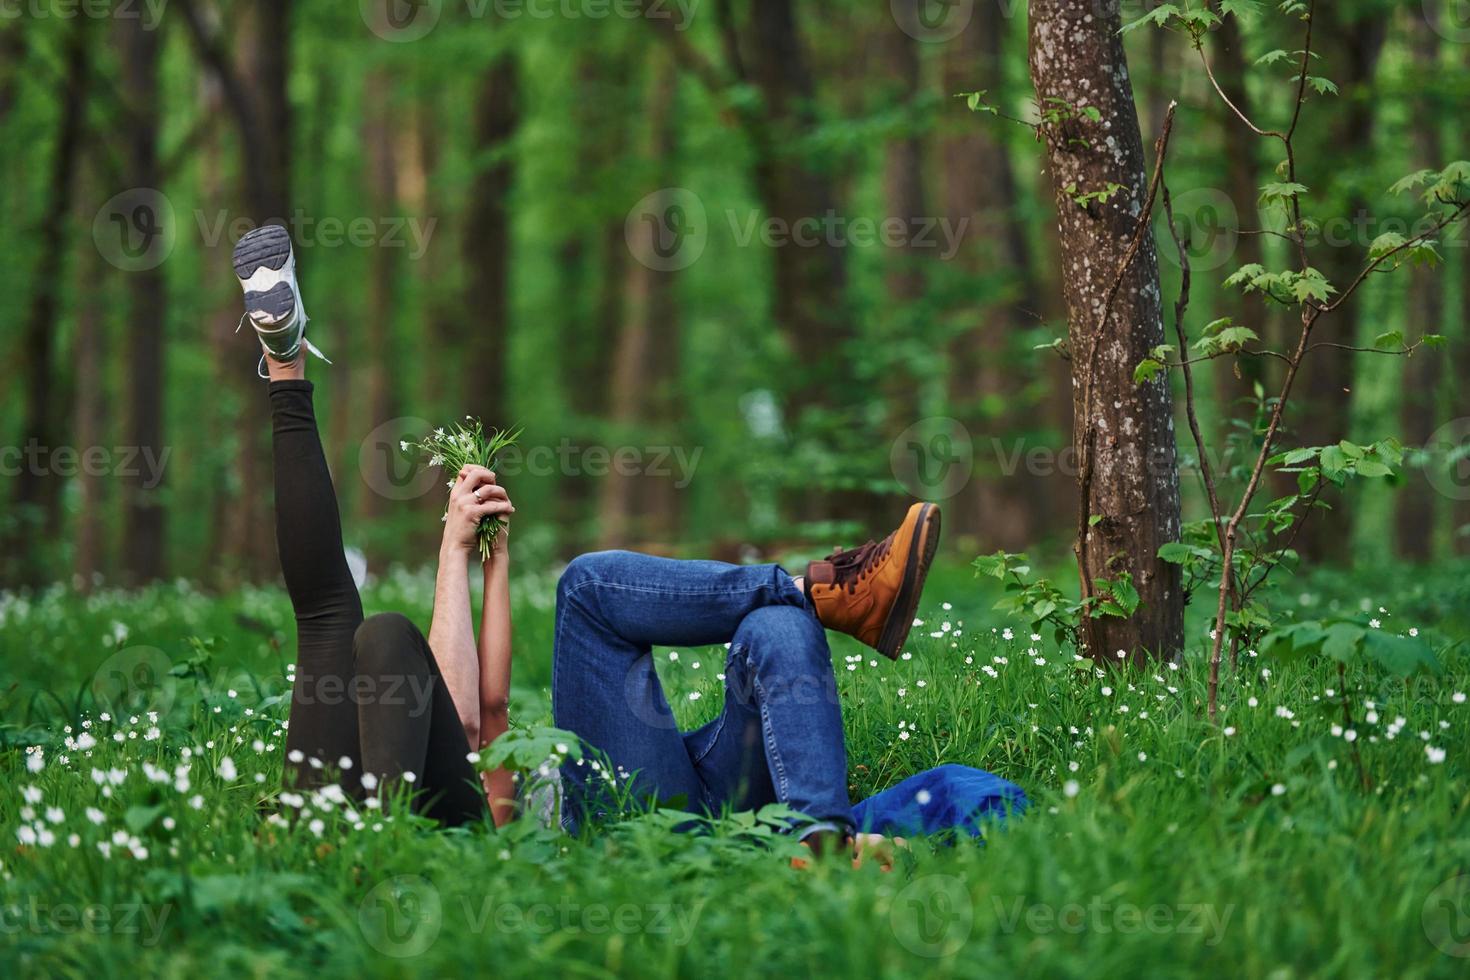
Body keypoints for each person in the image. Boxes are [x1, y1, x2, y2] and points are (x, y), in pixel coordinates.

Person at [236, 224, 1026, 847]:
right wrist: (460, 555)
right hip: (592, 812)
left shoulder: (339, 786)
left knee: (353, 627)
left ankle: (816, 831)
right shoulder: (458, 810)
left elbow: (468, 707)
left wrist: (476, 556)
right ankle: (816, 592)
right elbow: (483, 717)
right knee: (464, 616)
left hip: (657, 794)